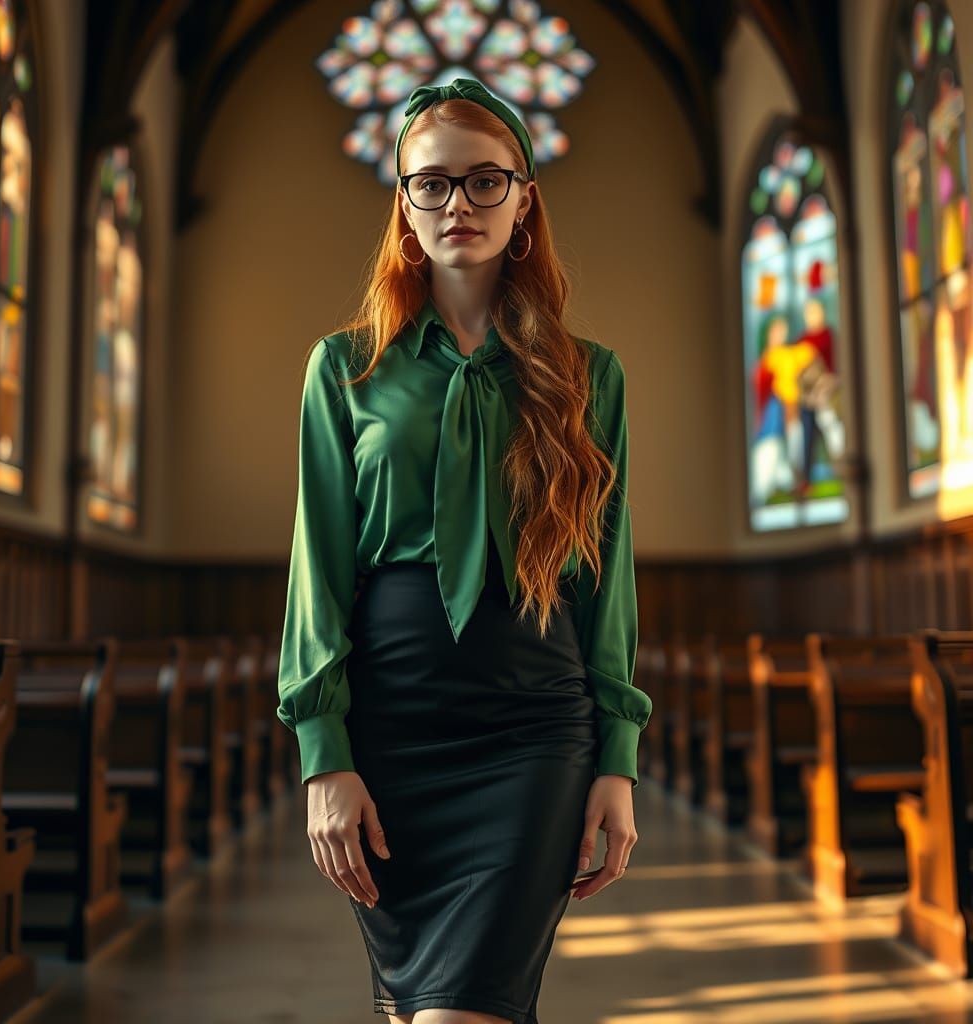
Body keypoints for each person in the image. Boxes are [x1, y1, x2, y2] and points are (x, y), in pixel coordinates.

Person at [277, 77, 652, 1024]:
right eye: (431, 184)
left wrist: (620, 757)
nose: (459, 205)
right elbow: (317, 571)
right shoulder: (344, 368)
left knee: (459, 1010)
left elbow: (607, 582)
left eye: (488, 181)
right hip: (392, 727)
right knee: (415, 1008)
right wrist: (325, 753)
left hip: (534, 726)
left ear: (525, 198)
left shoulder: (589, 376)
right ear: (402, 204)